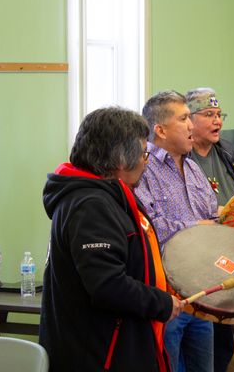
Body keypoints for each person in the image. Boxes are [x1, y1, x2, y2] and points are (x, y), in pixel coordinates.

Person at [40, 107, 184, 372]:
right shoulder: (90, 205)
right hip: (99, 354)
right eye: (143, 153)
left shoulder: (103, 197)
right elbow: (107, 286)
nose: (146, 162)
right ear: (120, 158)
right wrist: (161, 303)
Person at [136, 90, 219, 372]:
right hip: (166, 294)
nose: (190, 125)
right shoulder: (143, 169)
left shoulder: (194, 169)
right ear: (159, 129)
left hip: (200, 291)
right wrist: (198, 228)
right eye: (183, 119)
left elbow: (211, 215)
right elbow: (150, 228)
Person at [186, 87, 234, 372]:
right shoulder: (182, 156)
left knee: (223, 330)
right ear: (190, 119)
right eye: (209, 115)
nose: (217, 122)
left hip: (228, 251)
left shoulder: (228, 151)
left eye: (219, 115)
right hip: (196, 256)